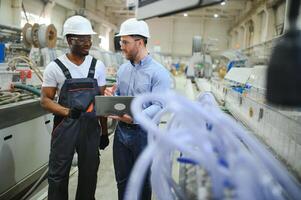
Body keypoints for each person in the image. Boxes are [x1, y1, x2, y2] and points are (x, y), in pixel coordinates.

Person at [40, 15, 109, 200]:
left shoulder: (98, 66)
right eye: (83, 39)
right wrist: (66, 112)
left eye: (89, 38)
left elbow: (101, 102)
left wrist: (104, 132)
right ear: (70, 40)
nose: (88, 43)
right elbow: (45, 100)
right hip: (66, 126)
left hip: (90, 129)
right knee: (58, 174)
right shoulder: (55, 68)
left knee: (89, 173)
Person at [105, 18, 171, 200]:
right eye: (121, 42)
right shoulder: (123, 70)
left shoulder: (159, 73)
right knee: (122, 183)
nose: (121, 47)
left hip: (144, 134)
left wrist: (135, 117)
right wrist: (112, 94)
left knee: (142, 185)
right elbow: (120, 96)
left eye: (125, 42)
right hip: (121, 134)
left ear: (139, 42)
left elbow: (159, 106)